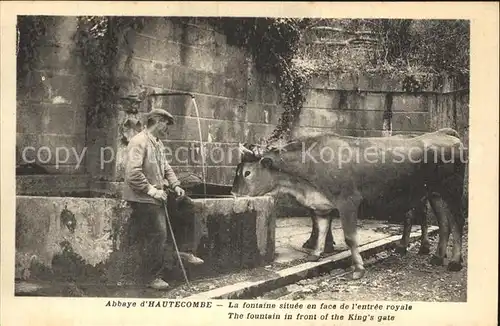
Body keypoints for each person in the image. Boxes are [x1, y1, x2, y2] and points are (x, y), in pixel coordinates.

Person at [122, 108, 203, 290]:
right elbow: (132, 174)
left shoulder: (157, 143)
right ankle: (152, 277)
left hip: (158, 194)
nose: (167, 128)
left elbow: (166, 168)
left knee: (187, 206)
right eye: (166, 124)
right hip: (142, 197)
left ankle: (184, 252)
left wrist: (176, 185)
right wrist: (152, 191)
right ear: (157, 121)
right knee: (158, 233)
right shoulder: (138, 142)